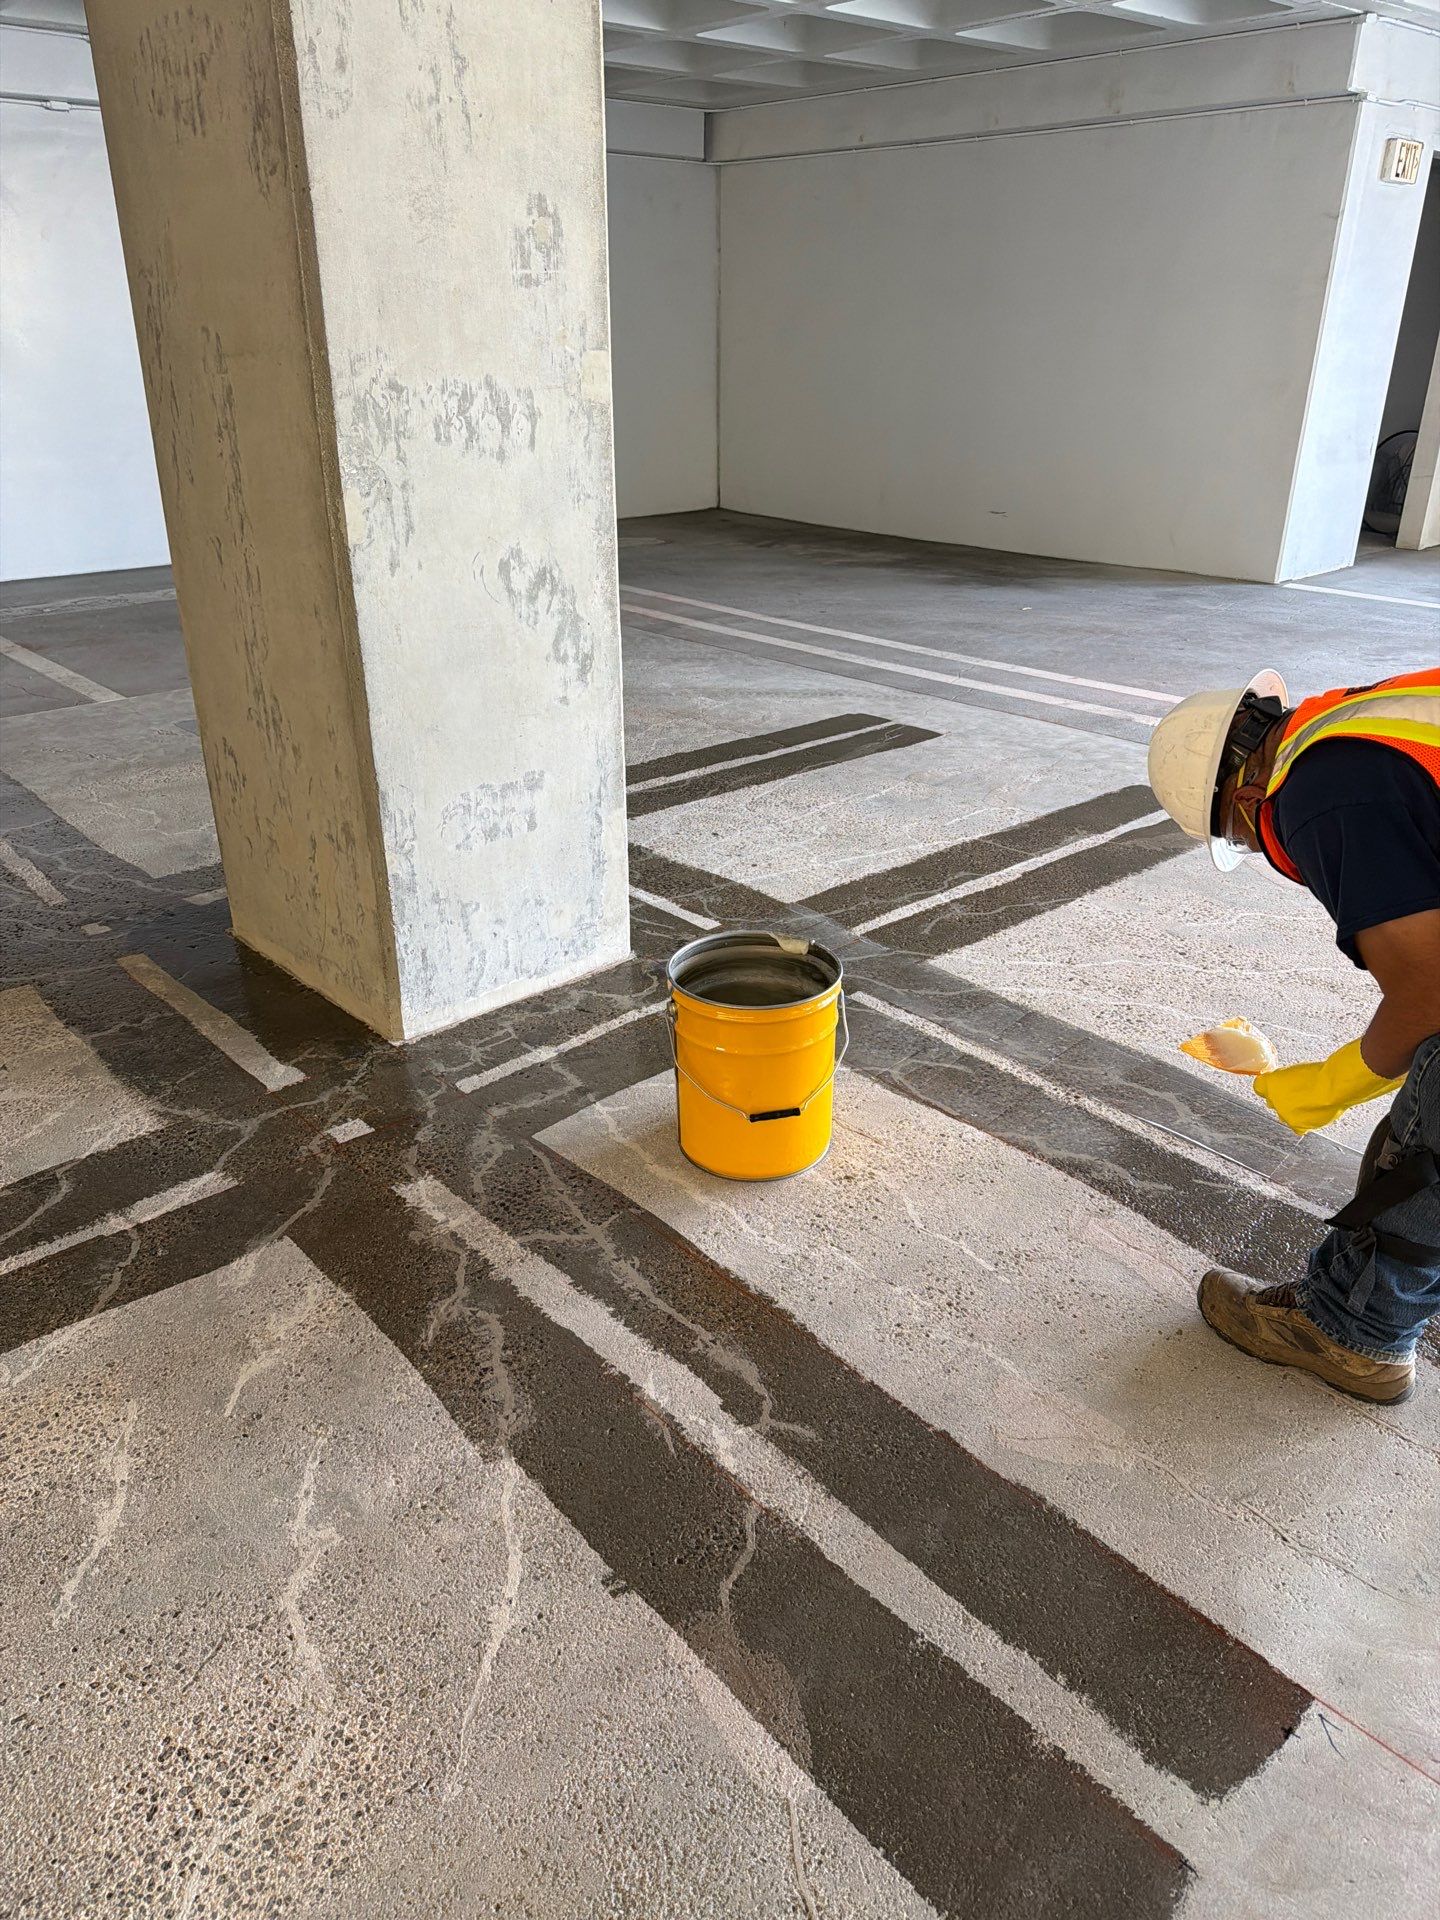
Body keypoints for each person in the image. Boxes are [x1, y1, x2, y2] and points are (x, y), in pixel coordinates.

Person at [1147, 667, 1440, 1404]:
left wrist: (1333, 1082)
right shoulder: (1353, 723)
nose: (1259, 847)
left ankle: (1354, 1333)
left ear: (1246, 799)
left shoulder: (1321, 793)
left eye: (1241, 837)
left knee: (1427, 1125)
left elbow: (1429, 994)